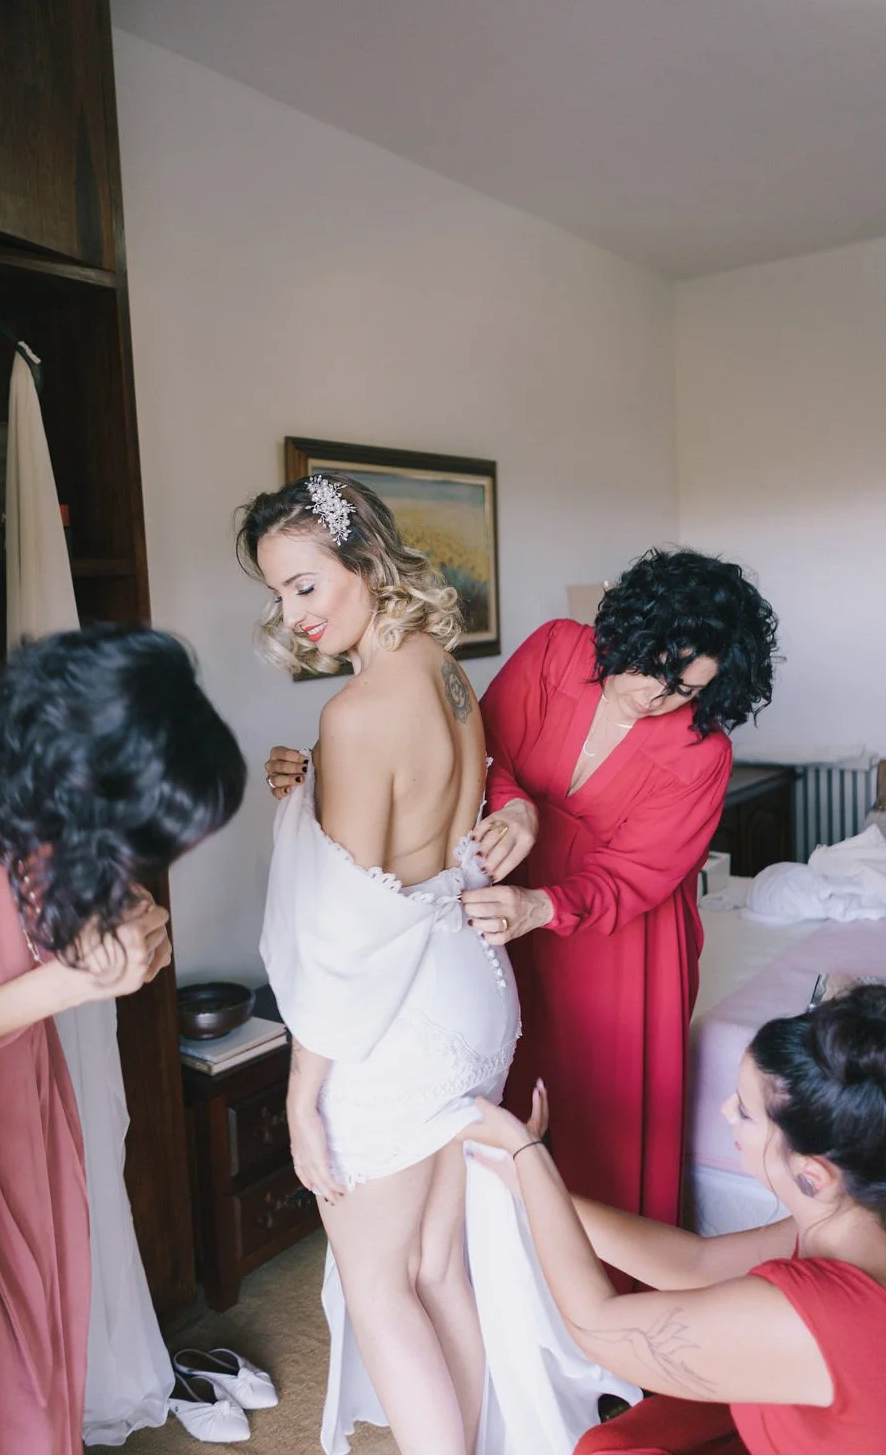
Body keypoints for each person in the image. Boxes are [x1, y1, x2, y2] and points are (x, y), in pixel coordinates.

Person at [244, 475, 637, 1455]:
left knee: (381, 1287)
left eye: (303, 585)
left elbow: (345, 934)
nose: (292, 617)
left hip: (396, 1022)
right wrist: (313, 788)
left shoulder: (357, 713)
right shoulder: (443, 669)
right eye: (277, 595)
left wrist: (301, 1097)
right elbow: (420, 837)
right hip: (471, 992)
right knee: (436, 1268)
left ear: (363, 562)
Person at [0, 624, 246, 1455]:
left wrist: (125, 922)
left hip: (24, 1114)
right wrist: (60, 987)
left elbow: (53, 906)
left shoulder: (28, 796)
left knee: (47, 1358)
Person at [459, 549, 778, 1235]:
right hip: (509, 907)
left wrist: (543, 906)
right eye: (658, 671)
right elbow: (486, 746)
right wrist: (514, 806)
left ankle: (605, 1296)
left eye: (686, 691)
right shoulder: (553, 651)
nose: (659, 698)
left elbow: (635, 874)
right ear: (633, 630)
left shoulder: (702, 754)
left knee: (601, 1121)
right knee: (508, 1085)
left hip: (620, 942)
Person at [465, 980, 886, 1454]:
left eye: (745, 1113)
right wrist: (531, 1187)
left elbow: (598, 1326)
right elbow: (695, 1264)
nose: (727, 1111)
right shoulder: (854, 1217)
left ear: (813, 1174)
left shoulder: (819, 1315)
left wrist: (530, 1158)